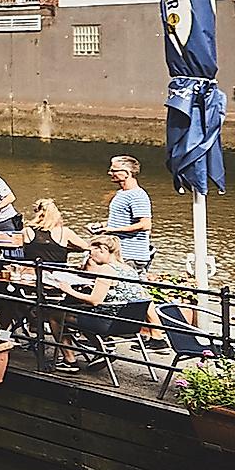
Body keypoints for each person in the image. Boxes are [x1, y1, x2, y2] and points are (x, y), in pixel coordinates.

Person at [51, 236, 156, 370]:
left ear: (102, 249)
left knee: (54, 314)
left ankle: (69, 360)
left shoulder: (106, 269)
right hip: (129, 324)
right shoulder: (129, 270)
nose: (90, 257)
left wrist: (68, 290)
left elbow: (95, 301)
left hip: (108, 324)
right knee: (82, 313)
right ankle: (103, 350)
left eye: (91, 252)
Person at [91, 155, 154, 272]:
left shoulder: (137, 195)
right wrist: (101, 226)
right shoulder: (121, 193)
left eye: (113, 170)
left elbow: (145, 225)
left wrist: (112, 230)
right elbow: (122, 219)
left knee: (130, 287)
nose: (110, 173)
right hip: (119, 253)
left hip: (131, 255)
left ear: (126, 173)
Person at [22, 198, 90, 262]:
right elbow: (85, 246)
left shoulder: (27, 231)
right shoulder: (65, 232)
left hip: (33, 270)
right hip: (57, 271)